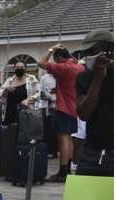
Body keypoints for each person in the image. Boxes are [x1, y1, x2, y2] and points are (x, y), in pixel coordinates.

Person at [60, 29, 114, 200]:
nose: (89, 57)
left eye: (94, 51)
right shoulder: (86, 76)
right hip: (93, 147)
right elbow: (83, 112)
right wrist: (99, 78)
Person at [39, 45, 84, 182]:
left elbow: (41, 63)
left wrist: (51, 49)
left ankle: (62, 173)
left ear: (59, 58)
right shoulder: (78, 67)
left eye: (56, 59)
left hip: (64, 107)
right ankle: (67, 169)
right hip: (75, 107)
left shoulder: (63, 67)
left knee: (63, 139)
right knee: (69, 138)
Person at [37, 71, 58, 157]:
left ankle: (54, 151)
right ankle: (48, 150)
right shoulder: (44, 77)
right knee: (47, 128)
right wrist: (48, 97)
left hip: (58, 106)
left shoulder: (61, 76)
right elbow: (40, 92)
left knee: (56, 130)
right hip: (46, 107)